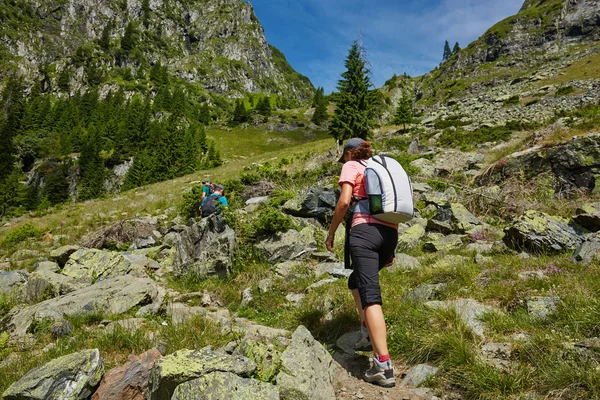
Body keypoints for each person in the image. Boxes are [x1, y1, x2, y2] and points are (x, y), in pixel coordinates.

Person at [325, 138, 398, 388]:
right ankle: (368, 334)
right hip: (389, 232)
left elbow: (345, 202)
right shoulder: (379, 167)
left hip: (364, 231)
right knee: (355, 281)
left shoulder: (351, 166)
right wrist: (390, 248)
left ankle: (383, 365)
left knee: (370, 295)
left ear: (348, 154)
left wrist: (332, 233)